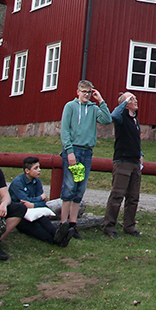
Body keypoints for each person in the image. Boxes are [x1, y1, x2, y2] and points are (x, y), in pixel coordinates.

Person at [56, 80, 111, 244]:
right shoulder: (70, 107)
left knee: (80, 188)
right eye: (83, 92)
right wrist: (69, 152)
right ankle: (63, 223)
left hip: (87, 152)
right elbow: (65, 130)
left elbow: (107, 119)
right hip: (73, 150)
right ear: (78, 92)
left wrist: (100, 100)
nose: (86, 95)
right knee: (69, 187)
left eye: (89, 92)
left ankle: (73, 225)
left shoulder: (93, 109)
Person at [104, 92, 144, 238]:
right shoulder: (121, 118)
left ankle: (129, 226)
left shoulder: (135, 120)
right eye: (132, 99)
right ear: (125, 104)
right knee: (117, 195)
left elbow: (134, 140)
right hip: (122, 162)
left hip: (135, 163)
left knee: (133, 197)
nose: (135, 101)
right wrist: (124, 101)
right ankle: (109, 227)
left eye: (135, 98)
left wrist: (140, 154)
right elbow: (113, 115)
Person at [8, 156, 64, 246]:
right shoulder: (18, 182)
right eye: (36, 168)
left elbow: (43, 203)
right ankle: (55, 240)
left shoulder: (37, 182)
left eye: (39, 167)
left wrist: (33, 205)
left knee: (42, 219)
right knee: (34, 227)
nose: (39, 170)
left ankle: (58, 235)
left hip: (33, 211)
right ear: (27, 171)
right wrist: (40, 198)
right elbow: (25, 201)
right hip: (18, 214)